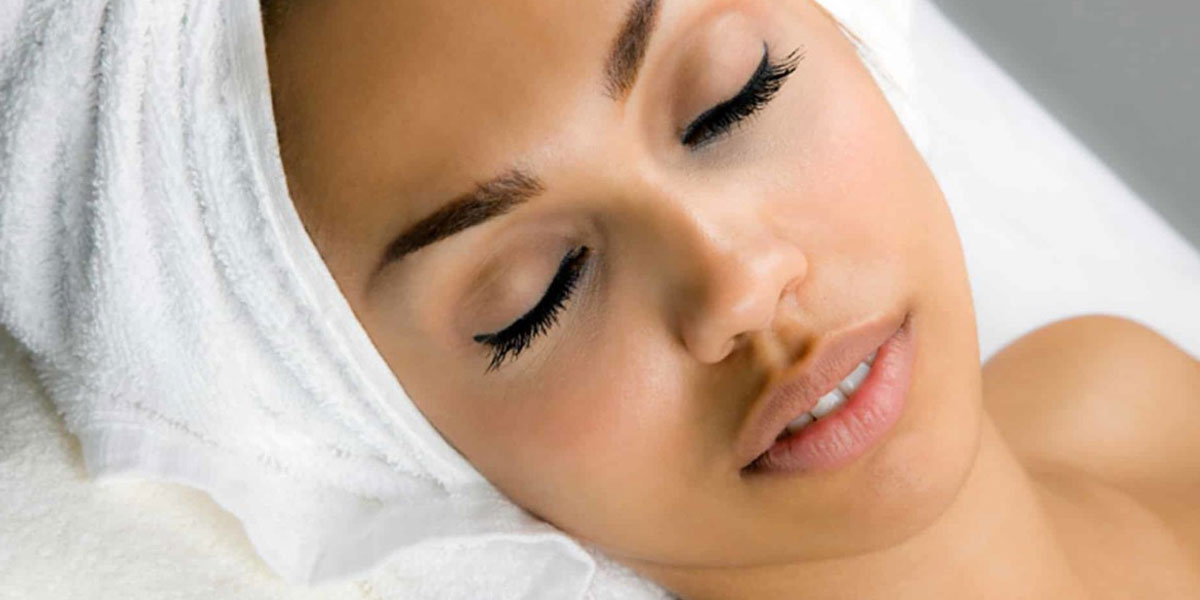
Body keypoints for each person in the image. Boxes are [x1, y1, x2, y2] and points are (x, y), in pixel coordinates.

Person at [256, 0, 1200, 598]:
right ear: (377, 436)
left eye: (732, 100)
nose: (739, 283)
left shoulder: (1119, 385)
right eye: (539, 295)